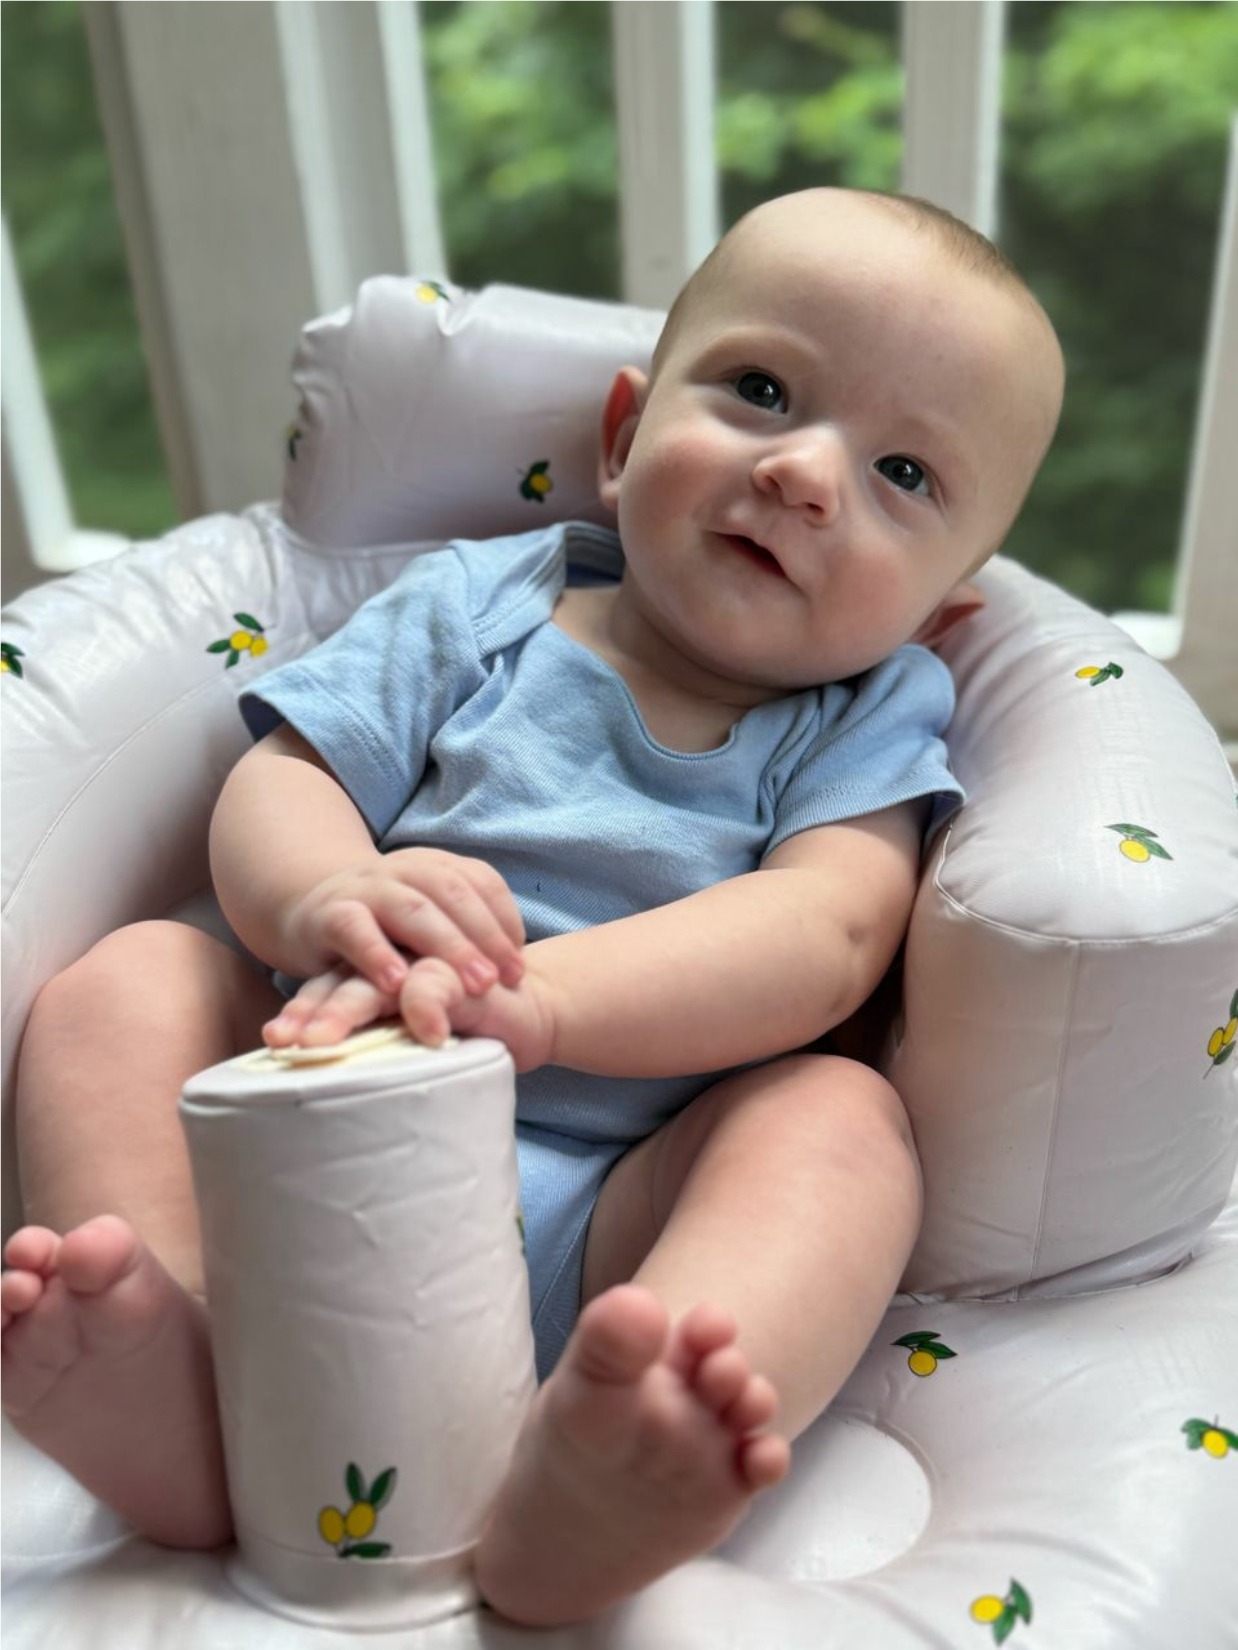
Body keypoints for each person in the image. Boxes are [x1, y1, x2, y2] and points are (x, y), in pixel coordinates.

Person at [1, 188, 1064, 1627]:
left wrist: (548, 1003)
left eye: (903, 475)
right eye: (761, 391)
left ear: (940, 608)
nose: (806, 473)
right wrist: (324, 891)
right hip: (304, 1118)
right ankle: (192, 1376)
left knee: (836, 1124)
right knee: (125, 981)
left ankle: (615, 1450)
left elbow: (826, 939)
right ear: (622, 440)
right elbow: (285, 775)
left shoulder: (867, 716)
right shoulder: (479, 603)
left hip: (609, 1210)